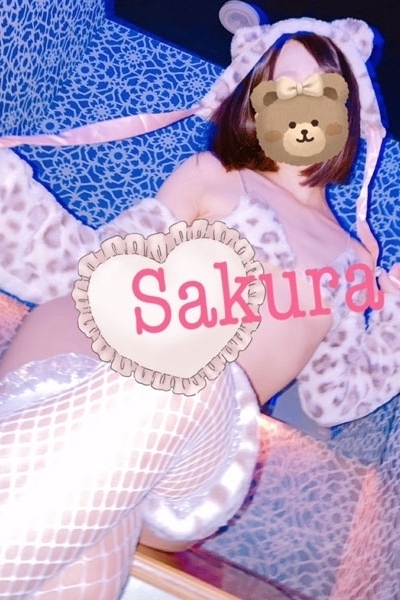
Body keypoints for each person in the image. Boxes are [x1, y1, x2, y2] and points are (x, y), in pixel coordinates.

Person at [0, 14, 399, 600]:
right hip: (72, 370)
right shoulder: (212, 176)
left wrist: (395, 316)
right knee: (84, 544)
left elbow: (334, 397)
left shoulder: (349, 260)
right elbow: (99, 267)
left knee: (188, 374)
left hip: (198, 445)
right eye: (282, 88)